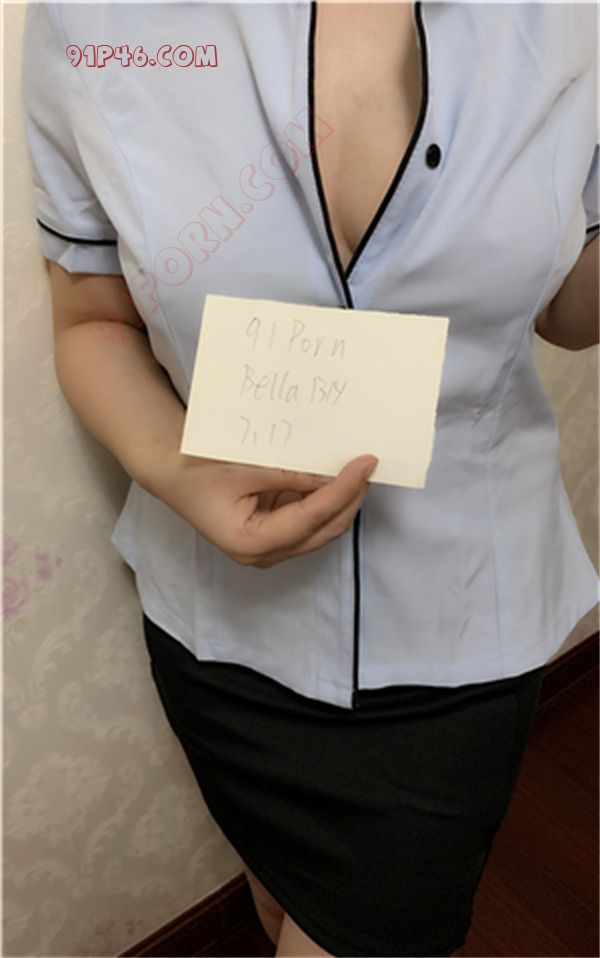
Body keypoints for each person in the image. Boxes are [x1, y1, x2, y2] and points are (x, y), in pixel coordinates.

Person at [22, 1, 599, 955]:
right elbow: (91, 320)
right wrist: (175, 467)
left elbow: (569, 308)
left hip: (461, 628)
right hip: (223, 637)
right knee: (284, 898)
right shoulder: (93, 18)